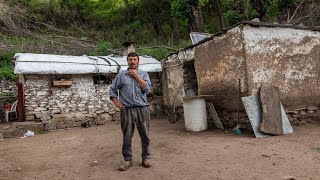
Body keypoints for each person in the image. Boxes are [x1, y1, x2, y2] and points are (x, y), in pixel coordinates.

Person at [109, 52, 152, 171]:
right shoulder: (121, 75)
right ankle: (127, 160)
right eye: (130, 60)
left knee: (145, 135)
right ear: (127, 61)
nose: (132, 62)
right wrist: (117, 103)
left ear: (138, 61)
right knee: (127, 136)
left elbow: (147, 89)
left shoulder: (144, 74)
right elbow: (112, 90)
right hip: (127, 110)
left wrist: (136, 76)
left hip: (142, 108)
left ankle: (146, 158)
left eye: (135, 60)